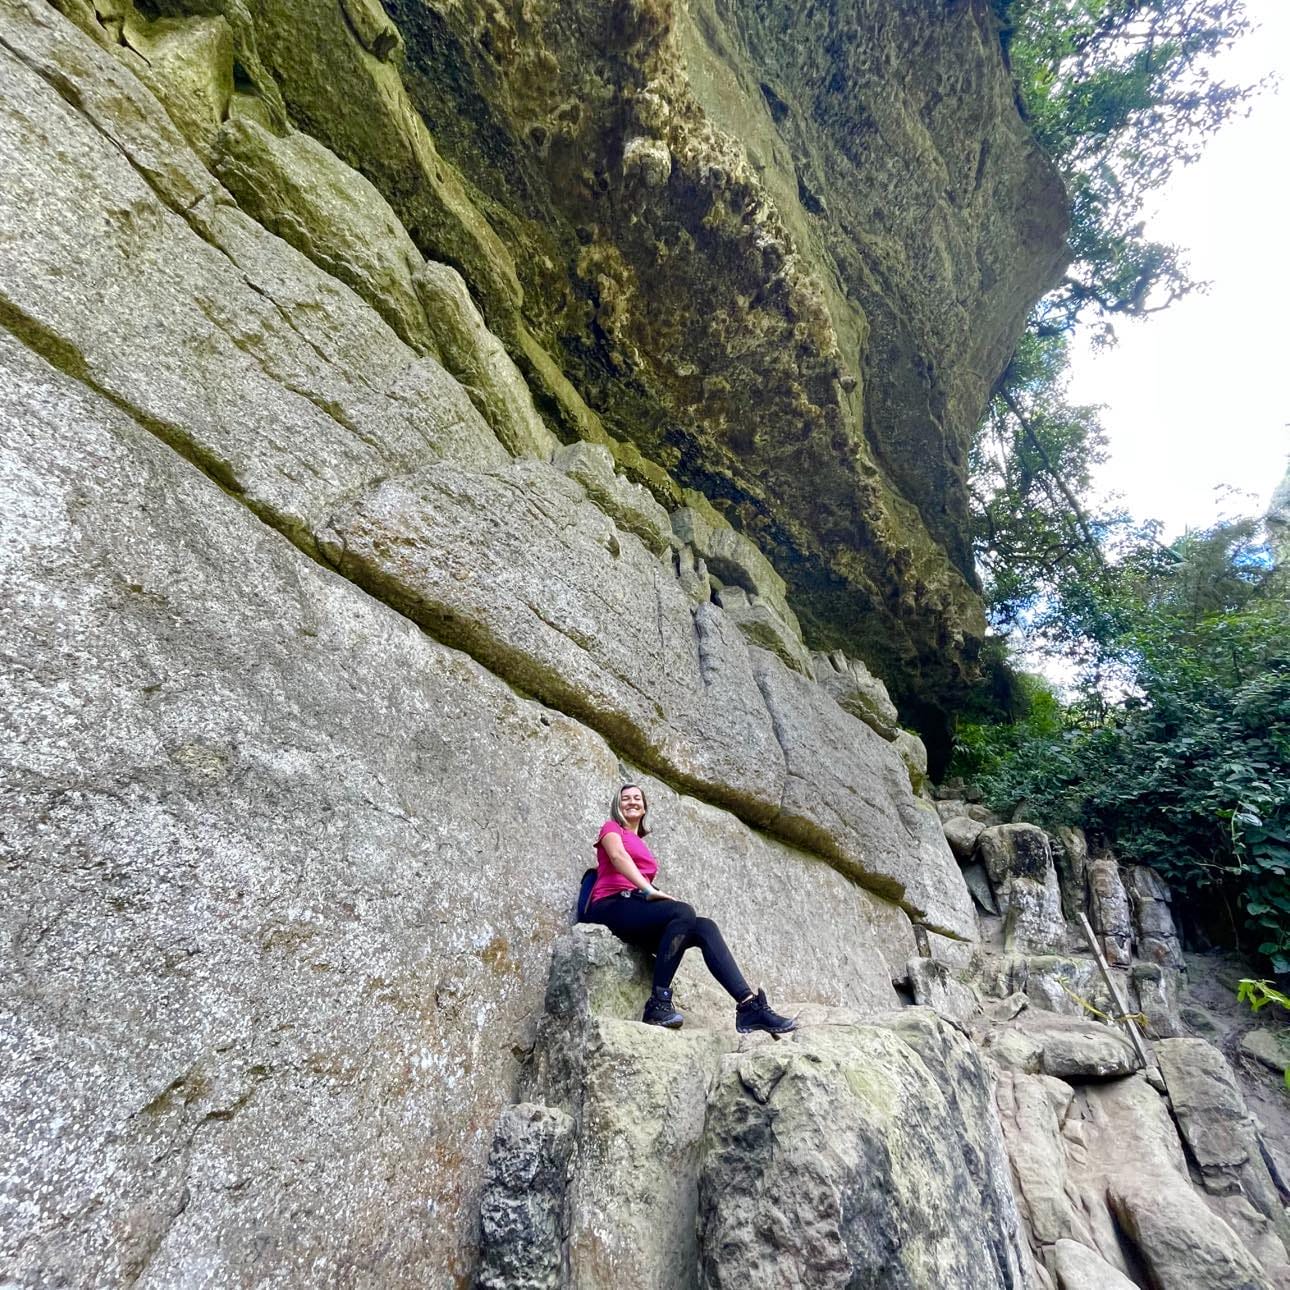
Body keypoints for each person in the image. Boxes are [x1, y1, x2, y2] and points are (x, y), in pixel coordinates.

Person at [582, 784, 797, 1034]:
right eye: (625, 798)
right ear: (617, 806)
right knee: (682, 912)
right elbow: (618, 858)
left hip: (633, 907)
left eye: (637, 798)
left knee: (704, 926)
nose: (631, 802)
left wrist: (652, 895)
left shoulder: (641, 843)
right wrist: (650, 891)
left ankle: (748, 1007)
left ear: (644, 808)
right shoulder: (612, 829)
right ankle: (658, 1003)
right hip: (609, 906)